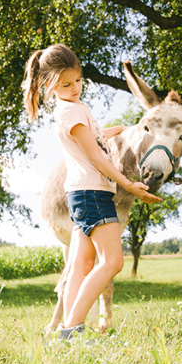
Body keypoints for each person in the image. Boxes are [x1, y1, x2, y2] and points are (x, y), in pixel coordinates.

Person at [22, 43, 162, 341]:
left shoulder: (73, 108)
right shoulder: (70, 112)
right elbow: (96, 156)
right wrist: (128, 184)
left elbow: (95, 138)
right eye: (65, 84)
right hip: (93, 193)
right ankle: (72, 328)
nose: (75, 88)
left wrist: (120, 130)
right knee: (113, 262)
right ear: (48, 85)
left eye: (78, 80)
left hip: (82, 194)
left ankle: (66, 331)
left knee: (81, 265)